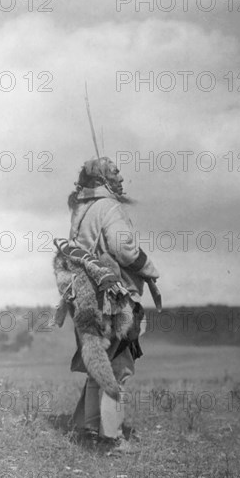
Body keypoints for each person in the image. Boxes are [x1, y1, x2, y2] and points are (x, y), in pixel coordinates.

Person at [67, 156, 159, 452]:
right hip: (111, 299)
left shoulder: (82, 209)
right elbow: (124, 249)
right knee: (118, 366)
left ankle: (90, 428)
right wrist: (150, 270)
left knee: (101, 363)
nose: (121, 179)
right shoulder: (109, 208)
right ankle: (112, 437)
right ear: (103, 180)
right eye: (115, 174)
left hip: (86, 297)